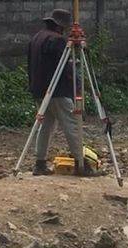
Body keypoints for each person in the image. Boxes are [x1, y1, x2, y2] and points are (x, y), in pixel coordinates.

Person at [28, 9, 96, 177]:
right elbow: (65, 67)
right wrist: (77, 84)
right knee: (72, 125)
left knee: (46, 126)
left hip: (39, 89)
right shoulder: (57, 40)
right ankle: (81, 164)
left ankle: (40, 163)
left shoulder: (36, 38)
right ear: (60, 27)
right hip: (57, 90)